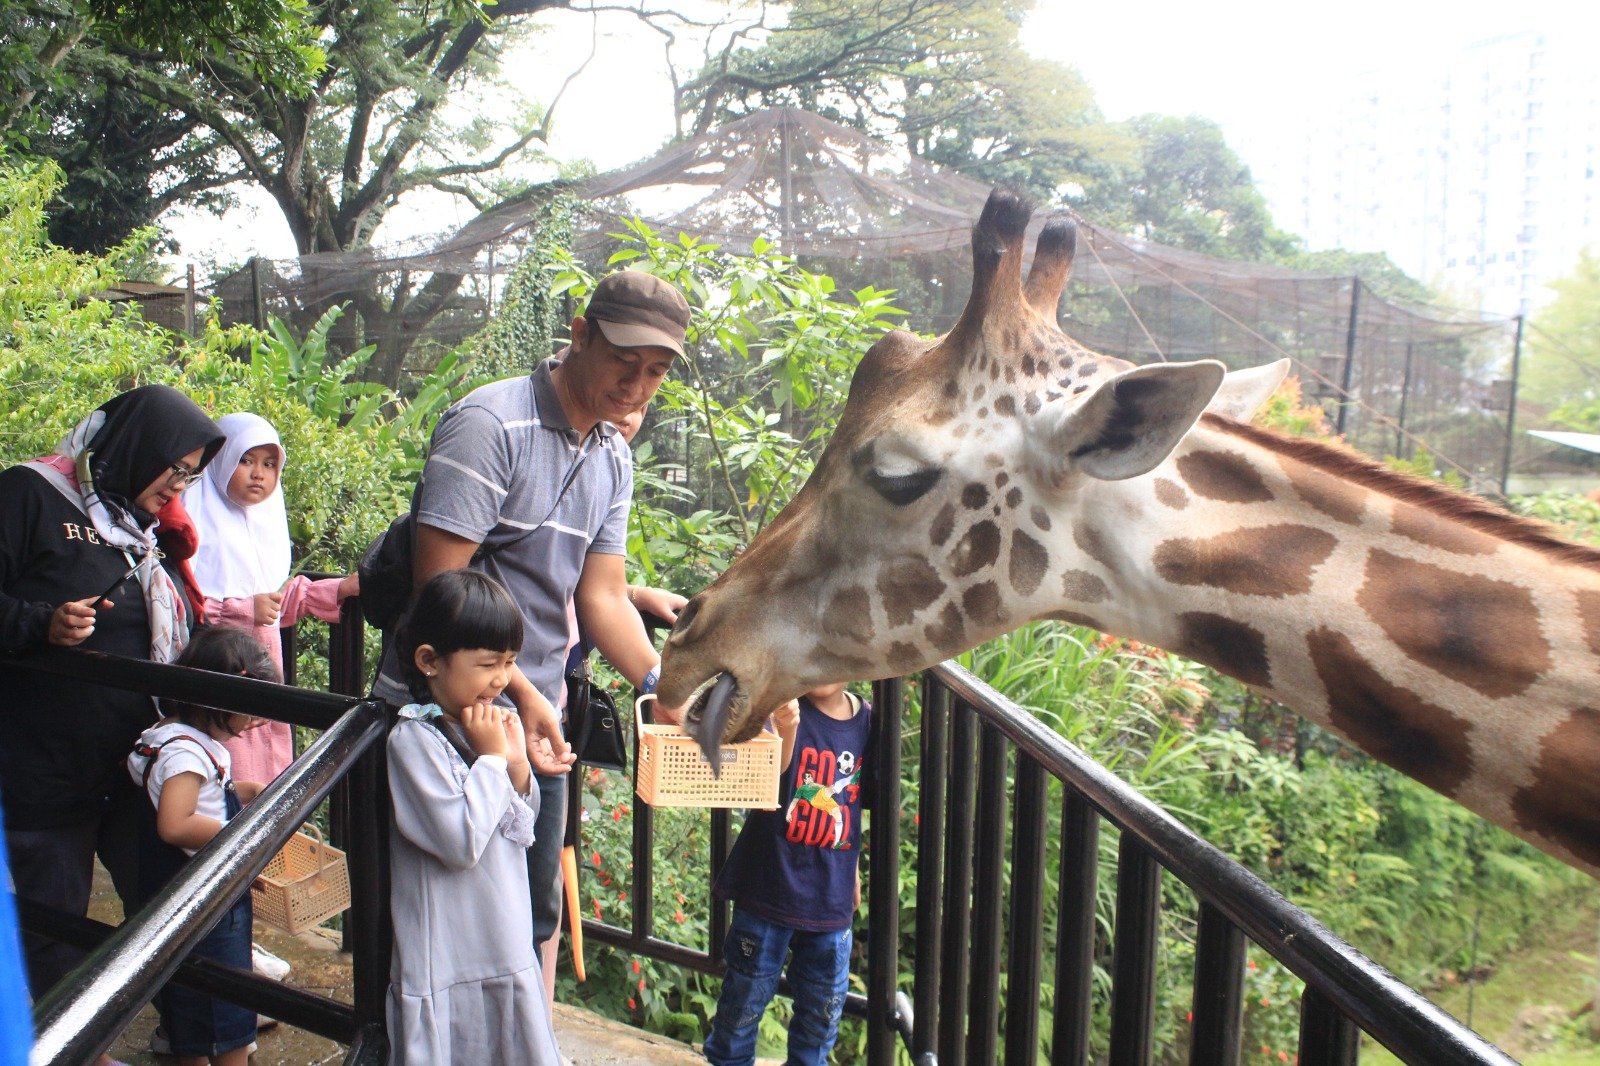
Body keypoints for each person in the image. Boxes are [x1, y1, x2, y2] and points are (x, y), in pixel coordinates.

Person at [373, 268, 692, 1008]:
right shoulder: (489, 426)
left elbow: (603, 596)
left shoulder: (612, 453)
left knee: (527, 910)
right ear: (579, 335)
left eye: (655, 373)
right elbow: (437, 597)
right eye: (624, 362)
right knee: (433, 925)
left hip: (532, 719)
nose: (637, 386)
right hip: (442, 718)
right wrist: (519, 692)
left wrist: (661, 685)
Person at [0, 384, 223, 1032]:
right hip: (44, 765)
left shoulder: (136, 529)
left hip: (130, 766)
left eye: (190, 475)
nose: (178, 486)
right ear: (135, 447)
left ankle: (180, 1036)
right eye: (174, 468)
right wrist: (38, 623)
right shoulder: (28, 495)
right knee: (52, 926)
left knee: (169, 909)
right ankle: (60, 1046)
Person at [387, 569, 560, 1065]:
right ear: (430, 661)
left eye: (509, 663)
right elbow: (459, 842)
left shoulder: (484, 724)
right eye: (488, 664)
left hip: (501, 937)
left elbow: (518, 828)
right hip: (449, 953)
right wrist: (490, 760)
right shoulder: (413, 741)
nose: (502, 680)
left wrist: (519, 767)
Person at [703, 683, 875, 1066]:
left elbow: (856, 802)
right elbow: (768, 774)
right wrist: (786, 725)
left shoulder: (868, 721)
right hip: (768, 889)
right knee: (741, 1008)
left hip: (831, 899)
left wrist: (855, 867)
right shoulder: (780, 704)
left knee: (821, 1017)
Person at [126, 626, 274, 1066]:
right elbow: (175, 824)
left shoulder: (166, 734)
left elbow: (191, 797)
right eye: (248, 712)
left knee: (188, 1005)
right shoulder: (187, 755)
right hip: (203, 899)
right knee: (223, 1003)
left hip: (173, 892)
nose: (253, 723)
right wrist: (239, 838)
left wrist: (238, 791)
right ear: (218, 703)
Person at [187, 412, 359, 783]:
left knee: (270, 765)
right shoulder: (199, 523)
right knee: (231, 766)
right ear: (219, 461)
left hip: (264, 669)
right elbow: (189, 605)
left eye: (269, 464)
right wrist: (244, 610)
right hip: (222, 671)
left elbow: (276, 602)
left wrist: (338, 589)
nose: (258, 474)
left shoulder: (264, 524)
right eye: (245, 460)